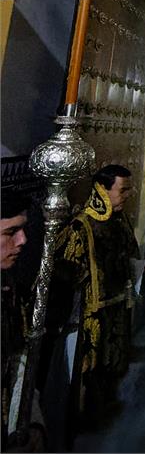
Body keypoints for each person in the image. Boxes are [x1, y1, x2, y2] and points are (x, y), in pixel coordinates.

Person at [48, 165, 145, 440]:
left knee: (112, 377)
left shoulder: (119, 221)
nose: (128, 195)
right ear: (102, 190)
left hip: (116, 314)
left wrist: (143, 267)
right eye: (122, 189)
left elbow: (123, 261)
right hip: (88, 320)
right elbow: (61, 279)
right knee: (84, 384)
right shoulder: (80, 228)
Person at [1, 188, 45, 452]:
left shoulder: (9, 288)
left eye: (23, 229)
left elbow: (18, 362)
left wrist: (31, 422)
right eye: (10, 232)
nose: (23, 240)